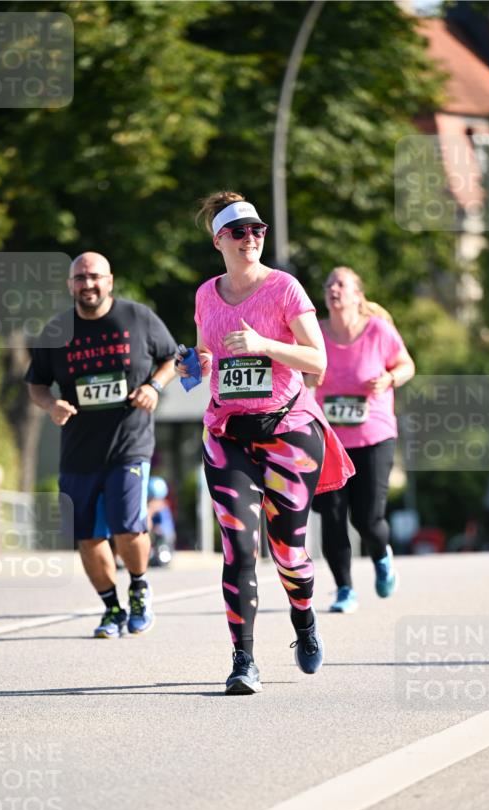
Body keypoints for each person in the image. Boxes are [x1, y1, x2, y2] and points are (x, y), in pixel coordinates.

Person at [177, 192, 354, 695]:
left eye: (258, 230)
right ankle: (243, 660)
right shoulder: (206, 295)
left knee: (288, 553)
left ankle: (304, 622)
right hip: (227, 433)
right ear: (219, 241)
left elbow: (317, 363)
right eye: (239, 232)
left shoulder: (285, 289)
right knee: (237, 547)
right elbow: (208, 351)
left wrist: (262, 345)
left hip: (287, 431)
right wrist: (194, 364)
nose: (251, 238)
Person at [26, 251, 177, 637]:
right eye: (80, 278)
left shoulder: (137, 318)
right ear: (70, 285)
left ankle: (140, 588)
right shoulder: (56, 331)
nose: (87, 284)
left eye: (94, 276)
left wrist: (153, 387)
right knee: (88, 537)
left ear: (109, 281)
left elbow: (172, 358)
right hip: (78, 450)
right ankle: (112, 608)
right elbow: (37, 382)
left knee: (128, 527)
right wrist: (50, 405)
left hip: (130, 442)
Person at [310, 266, 415, 613]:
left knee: (368, 518)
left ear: (357, 294)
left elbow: (406, 365)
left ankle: (382, 557)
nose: (333, 289)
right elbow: (301, 373)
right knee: (333, 516)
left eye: (341, 283)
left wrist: (389, 378)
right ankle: (344, 590)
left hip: (374, 435)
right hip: (330, 440)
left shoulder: (378, 331)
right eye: (329, 284)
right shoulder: (315, 333)